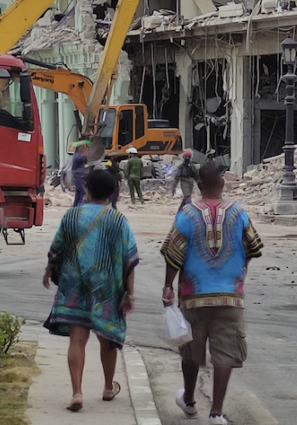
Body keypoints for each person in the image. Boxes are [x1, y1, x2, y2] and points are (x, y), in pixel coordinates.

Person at [160, 162, 263, 425]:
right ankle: (216, 412)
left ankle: (189, 400)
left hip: (194, 297)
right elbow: (253, 247)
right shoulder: (238, 213)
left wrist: (168, 286)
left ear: (199, 186)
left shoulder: (187, 214)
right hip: (230, 296)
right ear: (222, 184)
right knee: (225, 353)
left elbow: (173, 254)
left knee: (190, 350)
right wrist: (242, 269)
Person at [43, 168, 139, 412]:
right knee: (107, 340)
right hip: (106, 290)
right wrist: (130, 294)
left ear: (87, 189)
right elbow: (129, 260)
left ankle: (77, 392)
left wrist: (48, 270)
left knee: (77, 340)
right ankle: (108, 387)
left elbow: (56, 248)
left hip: (74, 287)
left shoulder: (72, 215)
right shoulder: (118, 220)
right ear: (111, 192)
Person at [70, 140, 90, 207]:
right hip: (79, 175)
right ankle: (81, 205)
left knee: (78, 192)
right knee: (83, 192)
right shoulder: (79, 156)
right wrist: (85, 148)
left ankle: (75, 206)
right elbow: (87, 157)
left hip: (77, 175)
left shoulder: (76, 155)